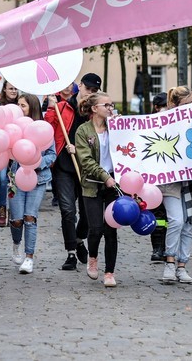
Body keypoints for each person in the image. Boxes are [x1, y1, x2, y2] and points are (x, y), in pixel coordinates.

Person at [44, 73, 100, 271]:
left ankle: (78, 239)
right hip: (64, 167)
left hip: (87, 168)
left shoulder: (96, 113)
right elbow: (47, 129)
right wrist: (51, 109)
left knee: (87, 214)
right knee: (68, 210)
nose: (90, 94)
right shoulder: (62, 107)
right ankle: (71, 253)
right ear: (80, 86)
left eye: (94, 91)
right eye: (88, 89)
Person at [157, 86, 192, 285]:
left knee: (188, 224)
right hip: (171, 180)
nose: (191, 107)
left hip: (191, 180)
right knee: (177, 220)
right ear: (177, 104)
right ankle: (169, 261)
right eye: (187, 104)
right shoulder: (163, 119)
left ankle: (182, 265)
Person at [75, 91, 119, 287]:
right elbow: (85, 160)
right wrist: (104, 177)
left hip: (114, 185)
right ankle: (92, 256)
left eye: (112, 105)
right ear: (94, 109)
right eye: (106, 105)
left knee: (111, 230)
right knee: (96, 229)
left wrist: (122, 128)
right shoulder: (83, 131)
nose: (111, 108)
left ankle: (110, 272)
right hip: (93, 185)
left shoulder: (116, 127)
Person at [8, 94, 56, 274]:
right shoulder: (14, 128)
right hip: (17, 178)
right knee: (17, 219)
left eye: (23, 106)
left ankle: (29, 257)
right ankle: (16, 243)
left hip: (38, 178)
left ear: (32, 107)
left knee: (30, 217)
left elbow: (52, 155)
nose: (20, 109)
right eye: (18, 105)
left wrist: (37, 164)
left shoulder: (44, 129)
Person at [0, 81, 19, 228]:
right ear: (5, 89)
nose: (13, 90)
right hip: (2, 147)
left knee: (15, 179)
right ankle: (2, 209)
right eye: (11, 88)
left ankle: (12, 211)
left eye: (15, 88)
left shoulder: (21, 104)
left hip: (17, 147)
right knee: (3, 179)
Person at [148, 91, 168, 263]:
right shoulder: (146, 125)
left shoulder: (175, 123)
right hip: (154, 176)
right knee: (158, 213)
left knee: (172, 215)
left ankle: (169, 247)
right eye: (162, 107)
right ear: (156, 108)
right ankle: (157, 248)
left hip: (172, 176)